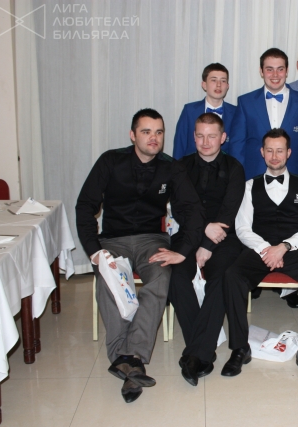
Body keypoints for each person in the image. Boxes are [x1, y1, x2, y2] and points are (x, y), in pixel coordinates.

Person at [76, 108, 205, 402]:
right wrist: (94, 251)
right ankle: (130, 360)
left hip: (152, 240)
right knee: (109, 279)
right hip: (113, 241)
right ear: (132, 135)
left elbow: (193, 211)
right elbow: (85, 206)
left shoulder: (171, 168)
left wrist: (182, 251)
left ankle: (128, 357)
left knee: (160, 278)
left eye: (159, 132)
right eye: (146, 132)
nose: (153, 138)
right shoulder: (110, 161)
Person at [222, 128, 298, 381]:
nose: (275, 156)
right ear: (262, 152)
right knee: (232, 276)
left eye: (280, 150)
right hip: (259, 248)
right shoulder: (249, 186)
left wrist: (284, 247)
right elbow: (242, 228)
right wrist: (266, 249)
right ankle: (240, 348)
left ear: (289, 153)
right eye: (270, 150)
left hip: (293, 249)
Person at [169, 113, 245, 386]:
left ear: (223, 138)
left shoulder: (235, 168)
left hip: (225, 238)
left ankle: (195, 353)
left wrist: (208, 245)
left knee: (221, 278)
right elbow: (180, 210)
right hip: (189, 235)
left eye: (212, 136)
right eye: (200, 135)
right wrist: (202, 236)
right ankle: (201, 351)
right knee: (176, 276)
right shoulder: (180, 167)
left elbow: (229, 211)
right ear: (193, 137)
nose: (205, 141)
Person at [228, 48, 298, 180]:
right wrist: (238, 181)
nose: (275, 75)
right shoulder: (246, 102)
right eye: (269, 69)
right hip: (253, 179)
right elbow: (237, 146)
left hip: (293, 180)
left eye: (280, 69)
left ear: (287, 71)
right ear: (261, 71)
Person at [173, 63, 236, 159]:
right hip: (192, 165)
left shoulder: (236, 112)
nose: (218, 85)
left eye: (223, 81)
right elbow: (180, 144)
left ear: (227, 86)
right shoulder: (189, 110)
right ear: (204, 85)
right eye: (214, 80)